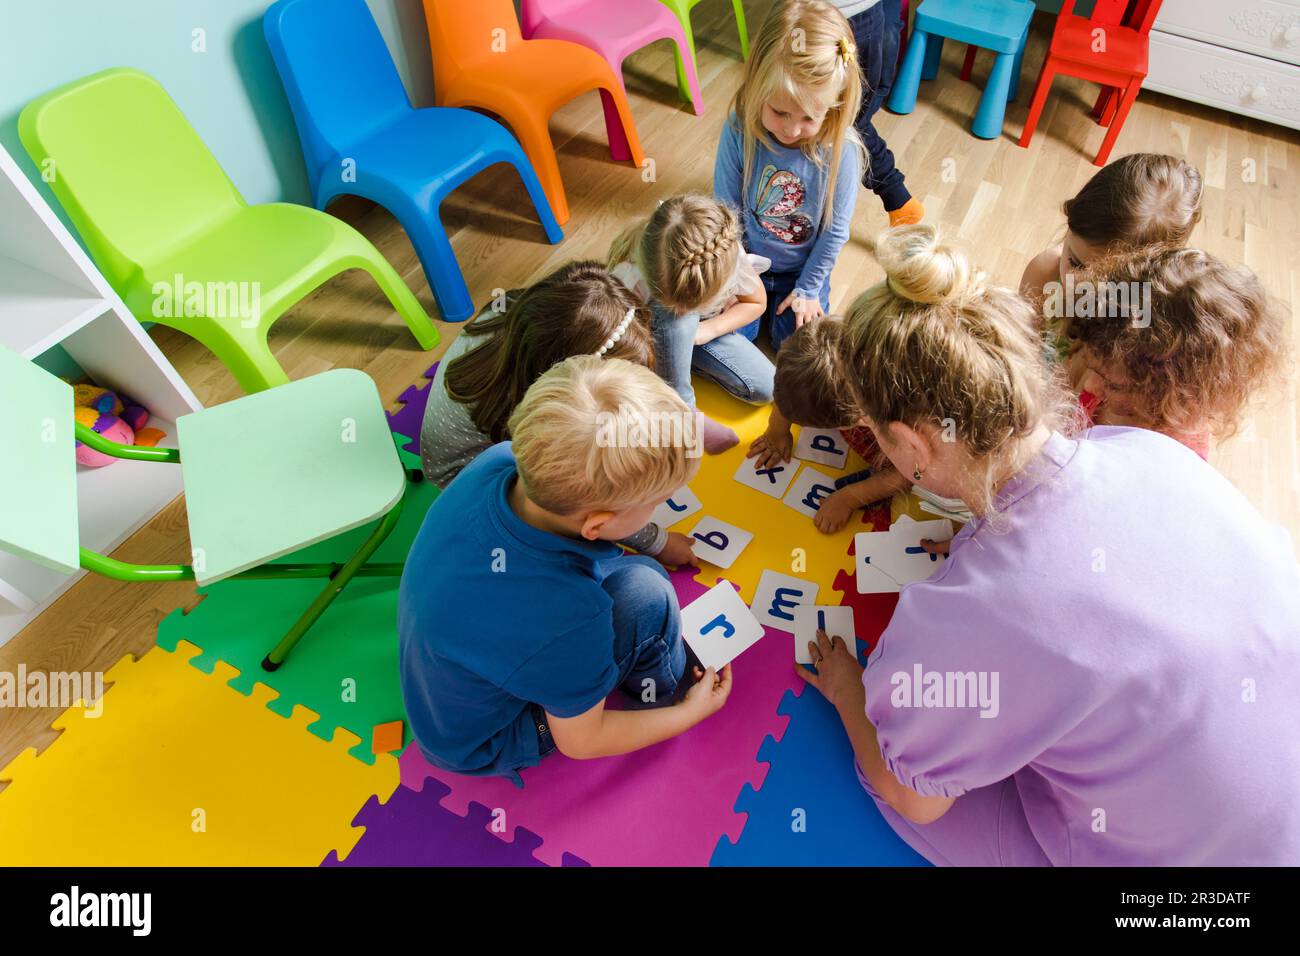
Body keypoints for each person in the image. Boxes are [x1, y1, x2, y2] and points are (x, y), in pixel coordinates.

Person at [798, 224, 1300, 865]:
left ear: (912, 445)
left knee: (892, 777)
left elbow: (914, 795)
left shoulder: (974, 609)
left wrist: (848, 689)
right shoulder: (1149, 449)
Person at [400, 356, 733, 785]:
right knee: (648, 590)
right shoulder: (569, 616)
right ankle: (664, 690)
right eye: (659, 501)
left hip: (443, 691)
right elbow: (582, 741)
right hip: (488, 739)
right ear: (596, 525)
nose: (660, 509)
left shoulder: (499, 461)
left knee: (634, 578)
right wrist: (687, 714)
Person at [419, 259, 696, 567]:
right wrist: (656, 541)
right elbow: (594, 497)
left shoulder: (523, 319)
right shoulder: (545, 422)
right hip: (461, 482)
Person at [715, 0, 867, 348]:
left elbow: (835, 233)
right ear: (756, 86)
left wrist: (809, 288)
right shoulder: (739, 129)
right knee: (728, 340)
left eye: (809, 118)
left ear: (833, 107)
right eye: (779, 112)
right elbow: (725, 210)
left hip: (802, 273)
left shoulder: (843, 152)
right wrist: (732, 276)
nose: (792, 129)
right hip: (746, 265)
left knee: (802, 351)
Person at [608, 194, 775, 453]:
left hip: (705, 332)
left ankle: (675, 374)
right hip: (648, 340)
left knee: (766, 387)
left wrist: (706, 331)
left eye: (691, 305)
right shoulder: (630, 276)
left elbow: (756, 302)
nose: (684, 311)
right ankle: (683, 410)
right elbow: (619, 345)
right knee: (675, 322)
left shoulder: (722, 254)